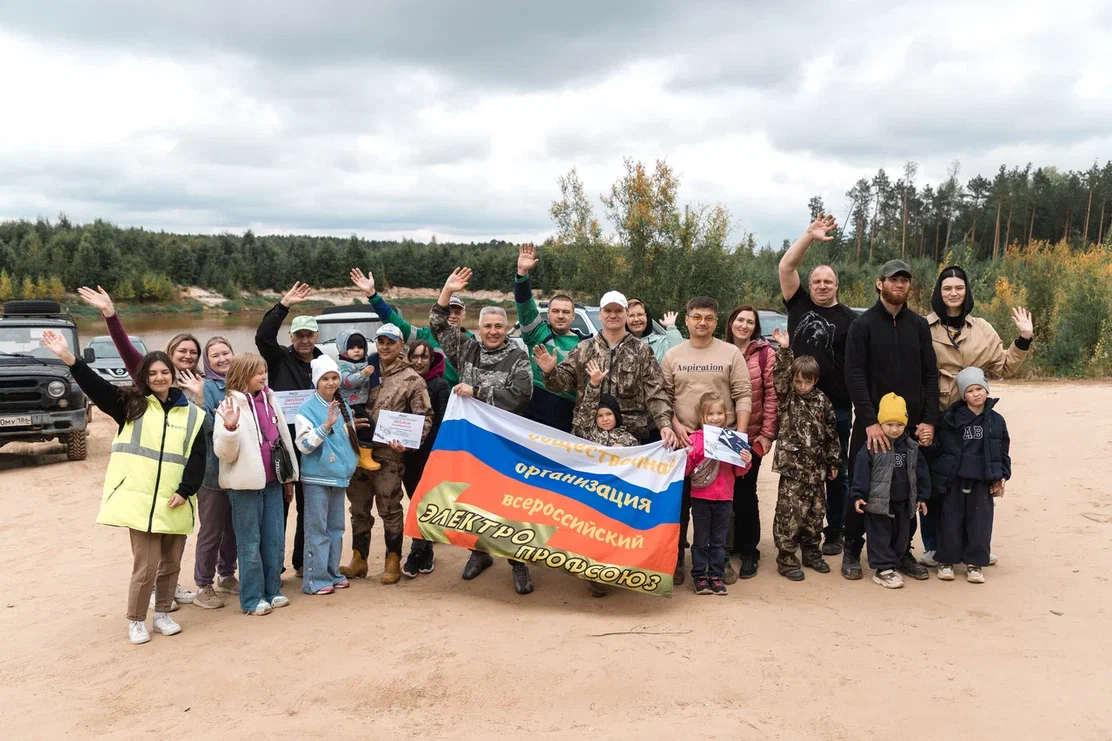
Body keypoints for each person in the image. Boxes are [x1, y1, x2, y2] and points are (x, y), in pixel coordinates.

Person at [41, 332, 205, 644]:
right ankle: (136, 620)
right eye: (153, 373)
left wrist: (185, 491)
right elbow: (97, 388)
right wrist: (69, 358)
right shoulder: (131, 405)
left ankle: (162, 614)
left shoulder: (193, 414)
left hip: (176, 500)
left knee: (170, 564)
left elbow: (198, 457)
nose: (159, 377)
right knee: (146, 567)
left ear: (173, 376)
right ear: (144, 377)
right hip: (140, 501)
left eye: (165, 372)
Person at [77, 285, 203, 609]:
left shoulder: (202, 384)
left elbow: (203, 433)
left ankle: (168, 591)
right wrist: (110, 313)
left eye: (193, 352)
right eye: (182, 351)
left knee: (173, 545)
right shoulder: (146, 383)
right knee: (149, 550)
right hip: (147, 484)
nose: (188, 355)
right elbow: (123, 350)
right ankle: (147, 603)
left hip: (188, 476)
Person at [918, 265, 1032, 567]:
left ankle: (974, 548)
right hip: (937, 416)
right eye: (947, 288)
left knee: (973, 487)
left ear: (966, 292)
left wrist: (1023, 338)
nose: (953, 293)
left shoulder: (982, 329)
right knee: (933, 484)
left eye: (958, 288)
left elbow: (1005, 367)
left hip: (974, 422)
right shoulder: (923, 327)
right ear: (938, 293)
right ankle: (933, 546)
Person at [431, 267, 536, 594]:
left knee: (509, 504)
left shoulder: (518, 356)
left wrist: (477, 392)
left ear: (506, 329)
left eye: (498, 326)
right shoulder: (466, 349)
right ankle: (480, 553)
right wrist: (447, 290)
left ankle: (518, 563)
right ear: (478, 328)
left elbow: (521, 395)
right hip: (472, 443)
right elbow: (436, 325)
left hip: (506, 445)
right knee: (473, 499)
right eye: (487, 326)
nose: (493, 331)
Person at [843, 259, 939, 582]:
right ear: (879, 283)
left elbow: (930, 375)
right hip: (872, 427)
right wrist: (869, 421)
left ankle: (902, 551)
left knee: (905, 491)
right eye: (893, 279)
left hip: (908, 429)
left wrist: (928, 420)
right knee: (863, 486)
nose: (899, 285)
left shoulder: (919, 326)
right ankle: (852, 549)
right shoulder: (863, 325)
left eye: (904, 280)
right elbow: (854, 375)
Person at [777, 215, 860, 557]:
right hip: (796, 409)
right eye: (817, 281)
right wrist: (809, 236)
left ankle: (835, 531)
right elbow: (786, 265)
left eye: (828, 281)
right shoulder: (798, 305)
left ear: (837, 286)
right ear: (808, 285)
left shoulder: (852, 321)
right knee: (797, 475)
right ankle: (796, 533)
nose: (822, 286)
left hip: (837, 409)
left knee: (834, 473)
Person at [661, 296, 751, 584]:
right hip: (682, 443)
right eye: (696, 316)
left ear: (716, 321)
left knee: (720, 507)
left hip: (723, 444)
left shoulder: (730, 354)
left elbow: (743, 394)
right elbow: (663, 396)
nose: (702, 322)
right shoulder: (673, 355)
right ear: (686, 320)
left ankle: (720, 560)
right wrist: (675, 427)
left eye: (708, 317)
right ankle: (676, 559)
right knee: (679, 507)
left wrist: (740, 437)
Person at [341, 325, 432, 585]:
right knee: (358, 508)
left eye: (391, 342)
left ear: (401, 345)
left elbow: (424, 417)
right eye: (380, 341)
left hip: (389, 455)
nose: (385, 346)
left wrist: (410, 442)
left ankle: (393, 558)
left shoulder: (412, 378)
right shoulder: (361, 369)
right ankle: (359, 559)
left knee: (390, 508)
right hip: (356, 451)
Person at [213, 354, 300, 613]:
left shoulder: (270, 399)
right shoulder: (229, 404)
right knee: (250, 542)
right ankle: (252, 599)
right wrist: (230, 429)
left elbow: (282, 440)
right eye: (256, 372)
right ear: (242, 375)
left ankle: (272, 591)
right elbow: (224, 454)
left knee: (274, 539)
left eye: (264, 371)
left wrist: (288, 478)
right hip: (244, 486)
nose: (263, 376)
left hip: (273, 481)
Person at [535, 290, 676, 448]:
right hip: (587, 437)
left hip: (628, 439)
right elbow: (561, 385)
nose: (613, 315)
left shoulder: (642, 351)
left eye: (618, 310)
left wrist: (665, 424)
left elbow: (656, 392)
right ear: (600, 314)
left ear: (626, 313)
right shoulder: (584, 348)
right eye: (608, 310)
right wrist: (550, 372)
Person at [255, 281, 322, 577]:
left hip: (314, 445)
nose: (304, 340)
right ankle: (273, 566)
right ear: (291, 337)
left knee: (309, 509)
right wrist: (283, 305)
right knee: (278, 510)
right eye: (299, 335)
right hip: (282, 446)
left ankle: (302, 562)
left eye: (309, 335)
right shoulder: (279, 358)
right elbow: (262, 336)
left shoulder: (325, 362)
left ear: (316, 336)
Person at [769, 328, 840, 581]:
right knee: (790, 513)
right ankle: (786, 557)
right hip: (792, 469)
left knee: (815, 512)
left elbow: (831, 433)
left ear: (815, 380)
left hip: (816, 469)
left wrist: (833, 461)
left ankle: (812, 552)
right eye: (798, 381)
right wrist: (785, 350)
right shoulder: (787, 397)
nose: (802, 385)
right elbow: (780, 376)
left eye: (807, 381)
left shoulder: (823, 401)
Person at [930, 368, 1011, 584]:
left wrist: (1001, 475)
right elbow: (941, 449)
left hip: (982, 482)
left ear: (986, 389)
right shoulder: (951, 419)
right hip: (954, 480)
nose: (976, 394)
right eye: (970, 390)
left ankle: (975, 563)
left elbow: (1002, 451)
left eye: (980, 389)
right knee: (950, 520)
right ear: (962, 394)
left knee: (980, 523)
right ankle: (946, 560)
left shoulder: (996, 420)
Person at [570, 360, 641, 598]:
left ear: (617, 415)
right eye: (600, 415)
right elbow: (584, 414)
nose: (604, 419)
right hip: (592, 498)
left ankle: (615, 572)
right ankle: (594, 577)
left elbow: (642, 469)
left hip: (618, 500)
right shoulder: (588, 435)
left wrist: (626, 454)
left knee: (616, 536)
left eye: (609, 414)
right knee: (592, 537)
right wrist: (593, 384)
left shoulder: (630, 440)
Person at [178, 336, 239, 610]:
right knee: (212, 532)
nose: (222, 359)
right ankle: (203, 584)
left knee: (234, 529)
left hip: (240, 472)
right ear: (207, 361)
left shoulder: (241, 383)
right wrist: (204, 402)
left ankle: (226, 574)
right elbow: (204, 427)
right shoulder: (203, 387)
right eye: (215, 356)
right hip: (212, 475)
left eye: (226, 353)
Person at [294, 356, 361, 594]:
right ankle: (315, 579)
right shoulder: (306, 409)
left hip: (339, 476)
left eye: (334, 378)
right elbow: (303, 445)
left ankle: (332, 572)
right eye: (325, 378)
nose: (331, 383)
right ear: (316, 381)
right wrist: (325, 427)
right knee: (317, 528)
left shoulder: (342, 406)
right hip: (317, 477)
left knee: (336, 527)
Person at [850, 393, 932, 589]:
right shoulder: (872, 445)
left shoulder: (911, 446)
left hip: (903, 501)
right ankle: (883, 569)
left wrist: (922, 496)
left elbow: (920, 472)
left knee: (902, 534)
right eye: (889, 425)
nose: (894, 429)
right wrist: (858, 495)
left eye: (899, 425)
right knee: (880, 535)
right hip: (878, 502)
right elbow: (861, 471)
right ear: (881, 423)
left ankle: (897, 561)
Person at [724, 305, 778, 580]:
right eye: (739, 320)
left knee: (746, 494)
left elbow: (771, 394)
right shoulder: (718, 350)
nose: (743, 325)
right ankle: (723, 548)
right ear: (731, 322)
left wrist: (767, 434)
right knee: (720, 494)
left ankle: (749, 551)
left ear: (754, 327)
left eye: (749, 322)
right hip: (720, 437)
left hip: (751, 437)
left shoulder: (764, 354)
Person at [351, 268, 474, 386]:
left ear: (464, 315)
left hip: (459, 401)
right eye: (448, 311)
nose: (452, 316)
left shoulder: (472, 342)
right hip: (428, 396)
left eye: (457, 312)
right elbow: (397, 323)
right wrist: (373, 295)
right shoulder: (425, 335)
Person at [685, 392, 752, 596]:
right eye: (710, 414)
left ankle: (716, 575)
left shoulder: (731, 439)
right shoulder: (695, 439)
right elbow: (686, 471)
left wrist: (746, 459)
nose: (715, 418)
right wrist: (688, 455)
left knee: (719, 541)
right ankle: (699, 576)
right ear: (702, 417)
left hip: (725, 498)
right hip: (701, 498)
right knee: (701, 539)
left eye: (719, 413)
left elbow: (739, 471)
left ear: (726, 415)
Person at [512, 243, 582, 432]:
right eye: (556, 311)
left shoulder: (586, 344)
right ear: (548, 314)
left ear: (573, 316)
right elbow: (525, 306)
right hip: (536, 410)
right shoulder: (538, 333)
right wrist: (521, 275)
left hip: (570, 414)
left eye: (566, 312)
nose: (560, 315)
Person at [401, 340, 451, 579]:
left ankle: (419, 550)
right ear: (408, 358)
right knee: (414, 500)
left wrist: (423, 444)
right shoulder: (402, 380)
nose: (419, 361)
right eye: (415, 356)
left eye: (424, 357)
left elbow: (441, 422)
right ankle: (425, 547)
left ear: (432, 360)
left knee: (424, 501)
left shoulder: (440, 385)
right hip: (404, 452)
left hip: (428, 453)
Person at [336, 329, 382, 472]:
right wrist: (363, 374)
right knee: (367, 426)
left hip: (362, 402)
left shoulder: (367, 362)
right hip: (350, 404)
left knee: (362, 429)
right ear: (344, 349)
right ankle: (363, 456)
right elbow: (347, 382)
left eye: (360, 347)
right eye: (351, 348)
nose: (356, 351)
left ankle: (360, 456)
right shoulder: (342, 365)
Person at [627, 298, 682, 363]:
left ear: (646, 317)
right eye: (631, 316)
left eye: (640, 314)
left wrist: (671, 327)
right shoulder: (620, 344)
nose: (636, 319)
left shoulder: (660, 343)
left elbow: (678, 353)